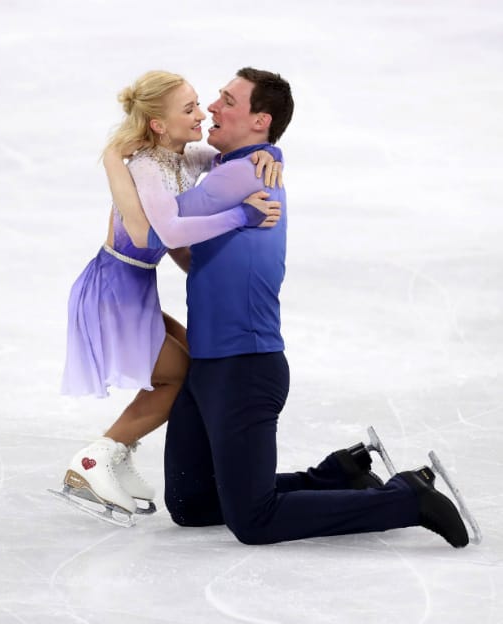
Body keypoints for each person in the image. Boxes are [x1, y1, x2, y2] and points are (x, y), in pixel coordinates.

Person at [113, 67, 470, 547]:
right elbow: (189, 247)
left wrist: (120, 158)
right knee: (193, 504)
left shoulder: (240, 175)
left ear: (260, 120)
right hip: (209, 363)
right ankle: (339, 473)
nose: (213, 108)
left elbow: (161, 223)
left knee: (254, 521)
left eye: (227, 101)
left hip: (245, 365)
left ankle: (410, 498)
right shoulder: (233, 166)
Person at [59, 69, 283, 518]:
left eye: (199, 103)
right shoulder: (146, 166)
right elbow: (169, 229)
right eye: (189, 109)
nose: (202, 114)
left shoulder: (179, 156)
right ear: (159, 124)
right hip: (115, 286)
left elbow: (229, 160)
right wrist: (243, 216)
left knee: (188, 359)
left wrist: (270, 154)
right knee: (177, 375)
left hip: (133, 285)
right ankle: (94, 460)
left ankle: (114, 455)